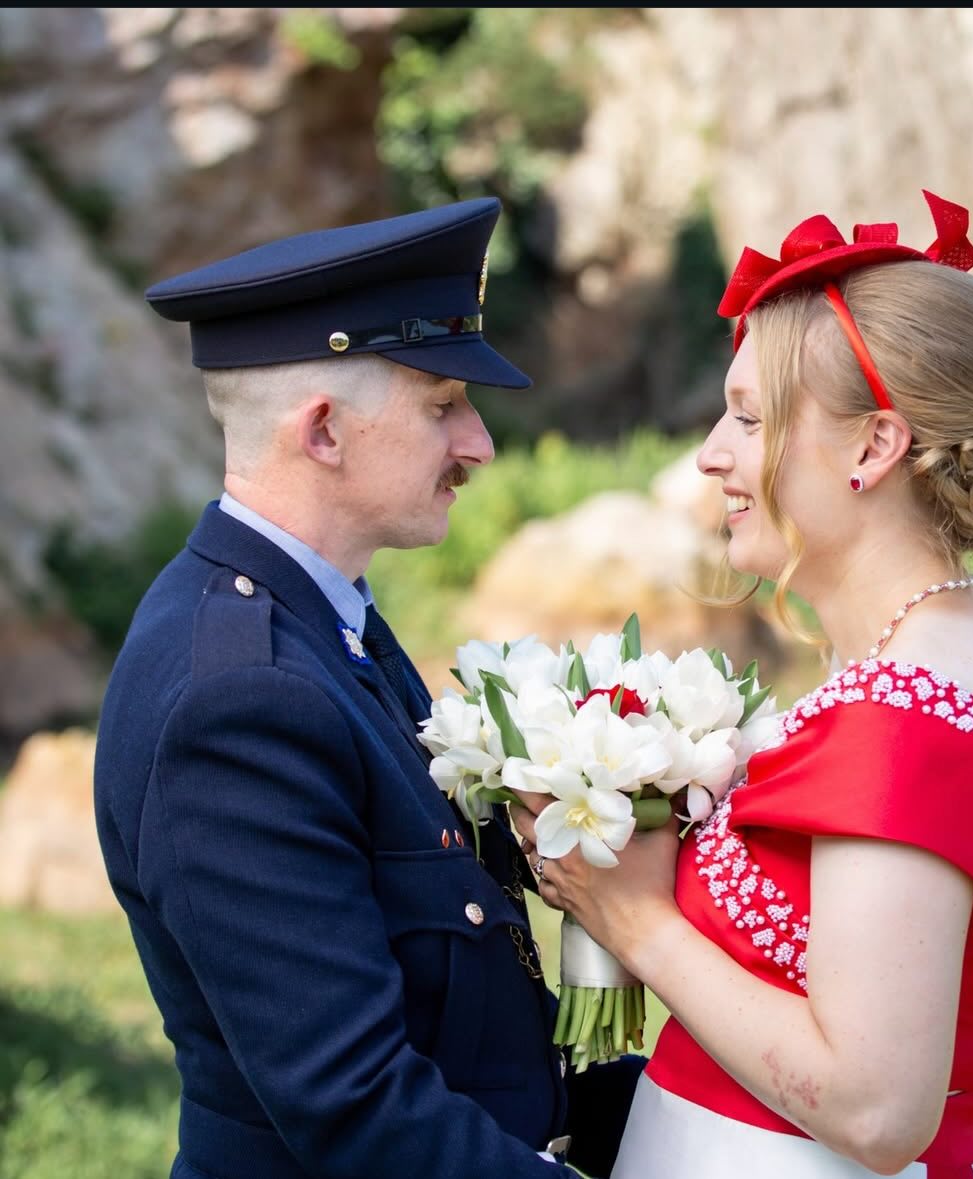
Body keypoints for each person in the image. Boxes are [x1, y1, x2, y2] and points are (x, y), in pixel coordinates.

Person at [510, 190, 973, 1178]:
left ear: (874, 445)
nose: (712, 453)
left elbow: (876, 1108)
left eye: (750, 418)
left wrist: (638, 924)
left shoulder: (903, 718)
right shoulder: (924, 651)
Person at [92, 196, 642, 1179]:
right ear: (324, 432)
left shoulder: (327, 625)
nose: (478, 444)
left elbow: (460, 1025)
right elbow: (357, 1107)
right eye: (442, 406)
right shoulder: (240, 697)